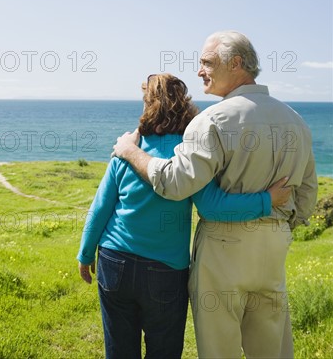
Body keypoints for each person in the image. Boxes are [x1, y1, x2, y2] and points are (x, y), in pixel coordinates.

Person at [113, 32, 318, 359]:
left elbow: (176, 183)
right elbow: (307, 193)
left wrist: (130, 152)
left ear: (236, 64)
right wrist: (282, 225)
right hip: (275, 245)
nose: (199, 71)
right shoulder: (296, 121)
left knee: (219, 350)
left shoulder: (211, 120)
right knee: (271, 350)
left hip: (224, 250)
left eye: (207, 62)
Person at [77, 73, 291, 359]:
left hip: (115, 262)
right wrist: (267, 200)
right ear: (185, 105)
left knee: (119, 349)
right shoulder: (191, 152)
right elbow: (213, 207)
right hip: (165, 272)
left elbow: (101, 207)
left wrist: (85, 254)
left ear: (147, 105)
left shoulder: (128, 148)